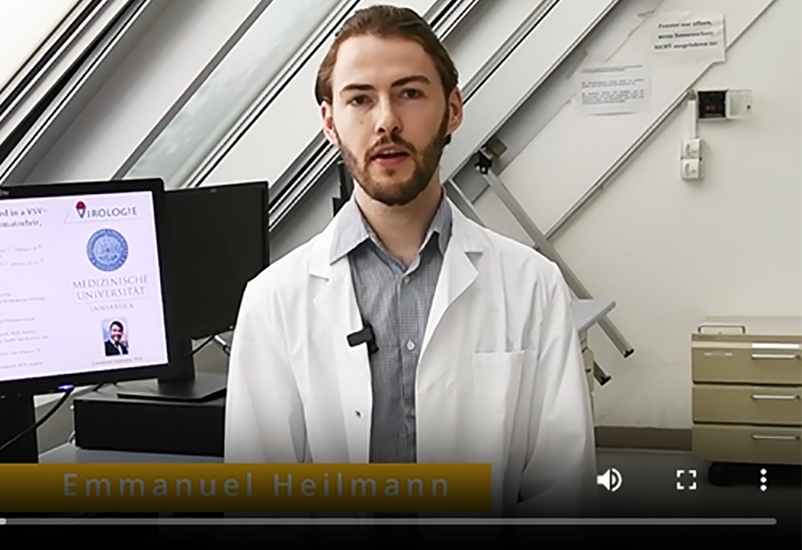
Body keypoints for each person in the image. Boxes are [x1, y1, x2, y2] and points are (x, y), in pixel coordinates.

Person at [224, 4, 597, 519]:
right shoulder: (273, 299)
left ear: (453, 110)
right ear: (330, 122)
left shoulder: (532, 284)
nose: (386, 121)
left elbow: (562, 486)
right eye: (360, 99)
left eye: (410, 93)